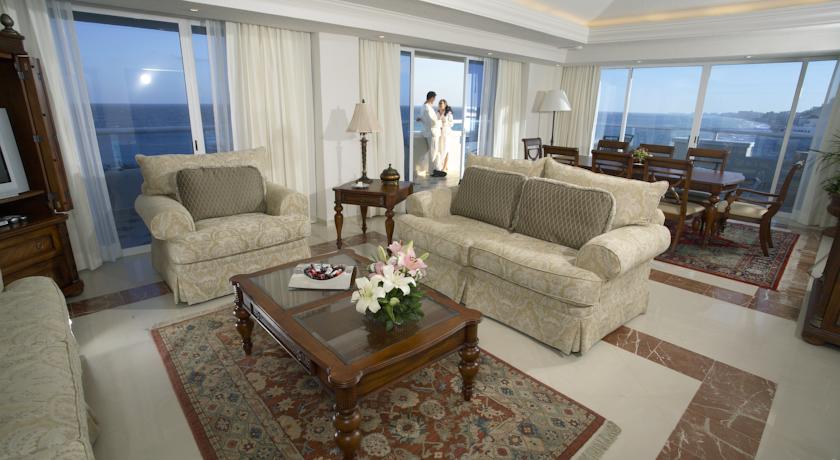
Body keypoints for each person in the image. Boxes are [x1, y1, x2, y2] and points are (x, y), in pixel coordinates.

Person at [417, 91, 445, 177]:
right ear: (432, 98)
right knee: (433, 152)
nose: (434, 100)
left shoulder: (424, 107)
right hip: (432, 133)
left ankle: (435, 169)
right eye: (434, 99)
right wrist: (440, 121)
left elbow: (423, 119)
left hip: (431, 132)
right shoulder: (427, 108)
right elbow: (432, 122)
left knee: (434, 152)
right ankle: (432, 171)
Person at [438, 99, 454, 173]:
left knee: (446, 149)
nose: (440, 104)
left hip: (446, 133)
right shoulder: (438, 112)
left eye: (442, 103)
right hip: (440, 133)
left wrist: (444, 123)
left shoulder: (448, 113)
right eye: (440, 103)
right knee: (441, 149)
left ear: (445, 104)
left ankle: (444, 167)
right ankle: (445, 165)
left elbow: (452, 123)